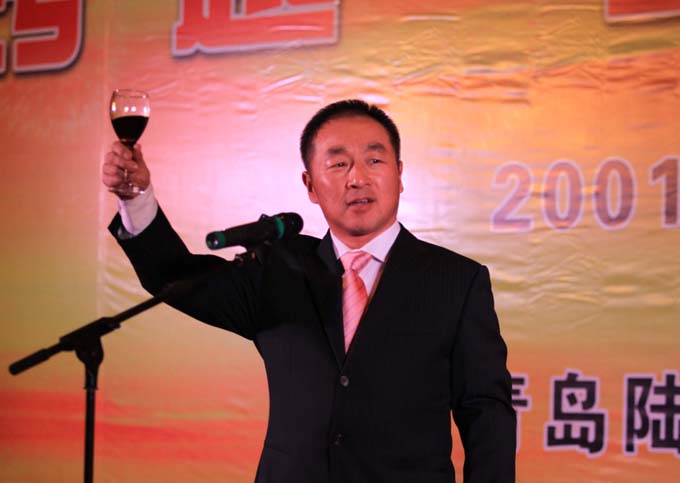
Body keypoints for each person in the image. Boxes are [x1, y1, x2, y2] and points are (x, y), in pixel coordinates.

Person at [103, 99, 516, 483]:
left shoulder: (457, 281)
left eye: (374, 160)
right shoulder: (277, 269)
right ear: (310, 185)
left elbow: (486, 412)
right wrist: (136, 199)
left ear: (400, 174)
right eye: (338, 164)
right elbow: (175, 279)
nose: (357, 178)